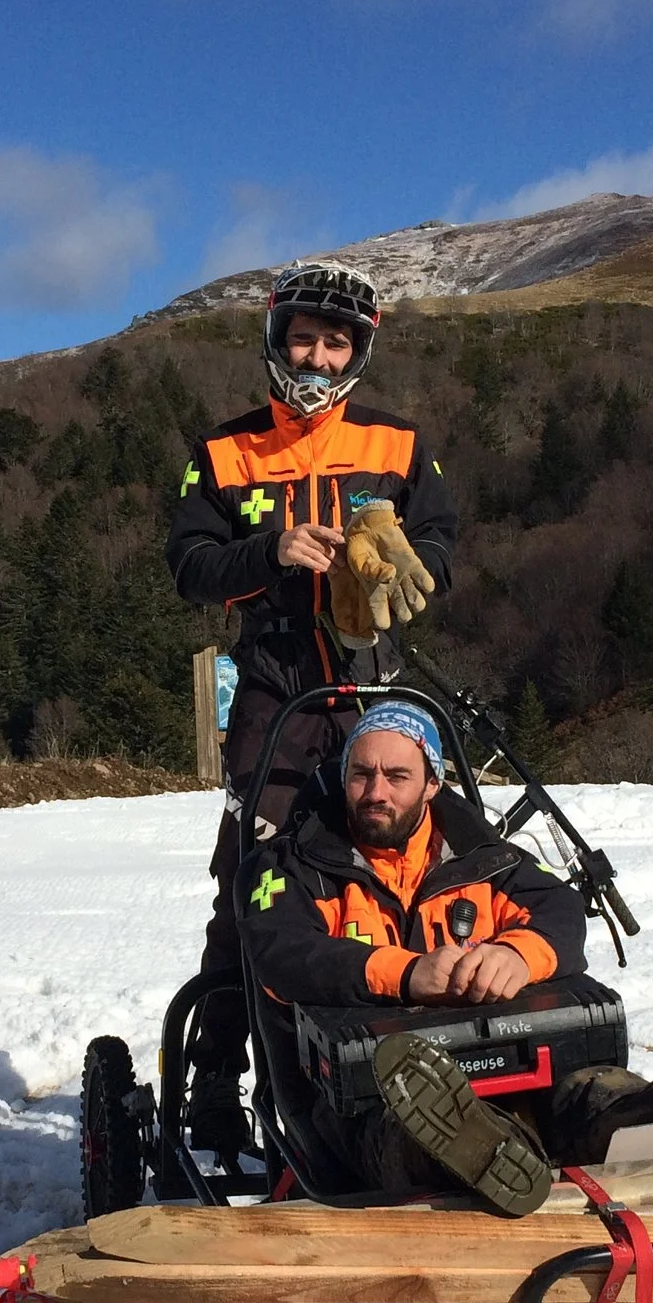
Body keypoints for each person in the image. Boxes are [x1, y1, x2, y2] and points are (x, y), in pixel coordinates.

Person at [239, 701, 653, 1215]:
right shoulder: (296, 868)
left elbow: (557, 910)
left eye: (396, 775)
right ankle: (477, 1149)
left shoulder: (484, 860)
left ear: (433, 783)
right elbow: (281, 952)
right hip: (368, 1107)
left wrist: (517, 954)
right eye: (361, 773)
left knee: (607, 1102)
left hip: (525, 1089)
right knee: (413, 1131)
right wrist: (406, 971)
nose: (376, 790)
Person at [166, 261, 457, 1156]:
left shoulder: (400, 444)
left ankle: (441, 1054)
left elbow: (443, 545)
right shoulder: (221, 453)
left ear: (358, 350)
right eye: (305, 337)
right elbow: (188, 565)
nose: (319, 357)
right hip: (275, 690)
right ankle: (219, 1083)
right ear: (276, 336)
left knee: (433, 855)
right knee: (251, 880)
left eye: (337, 343)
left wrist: (406, 560)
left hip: (379, 685)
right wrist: (270, 552)